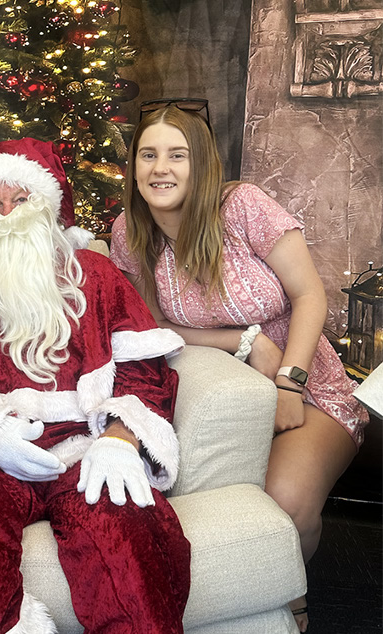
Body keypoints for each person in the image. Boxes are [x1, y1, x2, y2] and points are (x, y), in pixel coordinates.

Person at [109, 98, 369, 633]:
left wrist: (289, 382)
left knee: (286, 502)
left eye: (177, 155)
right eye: (148, 155)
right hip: (227, 391)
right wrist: (245, 341)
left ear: (201, 163)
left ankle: (292, 599)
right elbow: (155, 326)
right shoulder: (129, 232)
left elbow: (310, 295)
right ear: (133, 167)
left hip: (308, 385)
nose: (160, 168)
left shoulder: (242, 206)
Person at [0, 138, 191, 633]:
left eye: (20, 200)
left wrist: (120, 440)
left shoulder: (97, 275)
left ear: (46, 207)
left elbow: (145, 372)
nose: (6, 214)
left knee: (126, 519)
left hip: (86, 443)